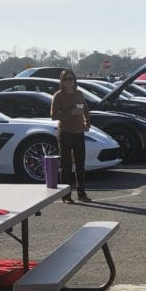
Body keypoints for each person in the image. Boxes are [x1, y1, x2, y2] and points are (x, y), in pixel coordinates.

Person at [50, 70, 92, 203]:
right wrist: (71, 112)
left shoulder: (79, 94)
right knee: (66, 165)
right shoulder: (58, 96)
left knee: (80, 165)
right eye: (65, 79)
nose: (69, 81)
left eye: (71, 79)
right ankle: (66, 196)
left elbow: (85, 109)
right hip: (65, 133)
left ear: (75, 80)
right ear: (61, 82)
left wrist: (87, 123)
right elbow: (54, 116)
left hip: (79, 132)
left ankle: (82, 194)